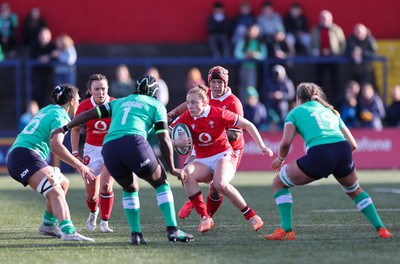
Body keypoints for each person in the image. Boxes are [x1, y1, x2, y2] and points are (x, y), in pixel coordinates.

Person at [51, 75, 194, 245]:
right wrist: (172, 167)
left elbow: (89, 114)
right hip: (133, 142)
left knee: (130, 187)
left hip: (110, 148)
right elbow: (163, 138)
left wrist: (65, 127)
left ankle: (136, 234)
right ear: (155, 93)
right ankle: (173, 230)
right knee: (161, 182)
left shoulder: (120, 102)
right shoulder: (156, 105)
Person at [262, 82, 393, 240]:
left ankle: (287, 230)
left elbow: (285, 143)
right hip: (343, 151)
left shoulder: (295, 113)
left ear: (298, 98)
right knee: (355, 190)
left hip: (320, 153)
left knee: (279, 183)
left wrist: (280, 159)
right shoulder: (331, 111)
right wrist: (337, 161)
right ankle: (381, 229)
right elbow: (353, 144)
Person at [170, 86, 273, 233]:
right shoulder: (187, 116)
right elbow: (165, 133)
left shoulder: (219, 113)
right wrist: (175, 142)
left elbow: (248, 124)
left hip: (223, 155)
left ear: (205, 103)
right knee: (186, 174)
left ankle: (250, 215)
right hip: (203, 159)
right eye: (188, 103)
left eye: (194, 103)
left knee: (219, 184)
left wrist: (262, 146)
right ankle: (205, 217)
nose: (190, 106)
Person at [6, 84, 95, 241]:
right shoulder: (61, 116)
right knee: (55, 191)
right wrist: (79, 165)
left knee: (63, 183)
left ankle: (48, 224)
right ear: (72, 101)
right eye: (79, 99)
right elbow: (56, 146)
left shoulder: (48, 109)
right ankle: (68, 231)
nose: (80, 103)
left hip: (21, 154)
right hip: (25, 156)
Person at [168, 66, 246, 221]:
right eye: (213, 82)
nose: (216, 86)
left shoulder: (233, 103)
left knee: (216, 187)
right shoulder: (207, 94)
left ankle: (208, 216)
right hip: (205, 143)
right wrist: (174, 112)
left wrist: (215, 128)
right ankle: (196, 205)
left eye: (220, 82)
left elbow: (236, 135)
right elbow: (190, 102)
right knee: (186, 173)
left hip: (229, 149)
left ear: (226, 83)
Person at [70, 74, 116, 233]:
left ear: (108, 89)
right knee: (91, 194)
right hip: (91, 149)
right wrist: (75, 154)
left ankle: (105, 222)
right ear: (90, 90)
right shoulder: (83, 106)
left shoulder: (115, 105)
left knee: (106, 185)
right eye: (97, 89)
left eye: (103, 89)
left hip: (111, 149)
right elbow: (75, 129)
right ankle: (93, 212)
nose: (101, 92)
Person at [309, 10, 346, 101]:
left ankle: (335, 100)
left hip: (333, 59)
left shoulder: (337, 29)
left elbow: (343, 44)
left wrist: (336, 53)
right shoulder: (315, 30)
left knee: (334, 80)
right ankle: (317, 99)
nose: (324, 20)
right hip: (319, 59)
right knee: (319, 80)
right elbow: (310, 45)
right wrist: (315, 52)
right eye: (322, 18)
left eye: (326, 18)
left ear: (331, 19)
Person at [234, 23, 267, 102]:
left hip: (254, 69)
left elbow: (264, 55)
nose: (253, 32)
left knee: (251, 88)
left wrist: (255, 55)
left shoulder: (260, 42)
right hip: (243, 67)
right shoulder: (243, 41)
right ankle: (244, 105)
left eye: (255, 30)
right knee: (242, 87)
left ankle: (252, 104)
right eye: (252, 30)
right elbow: (237, 53)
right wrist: (245, 55)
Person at [29, 27, 56, 107]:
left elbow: (56, 55)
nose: (43, 37)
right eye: (41, 35)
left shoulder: (52, 46)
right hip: (36, 76)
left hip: (49, 76)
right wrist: (41, 59)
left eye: (45, 35)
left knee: (49, 96)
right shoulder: (34, 46)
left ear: (49, 36)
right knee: (37, 95)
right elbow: (32, 57)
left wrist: (48, 57)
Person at [262, 64, 295, 130]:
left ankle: (282, 128)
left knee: (283, 110)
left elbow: (291, 95)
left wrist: (282, 95)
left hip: (282, 104)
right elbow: (263, 93)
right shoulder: (269, 81)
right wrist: (270, 95)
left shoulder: (287, 82)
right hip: (270, 104)